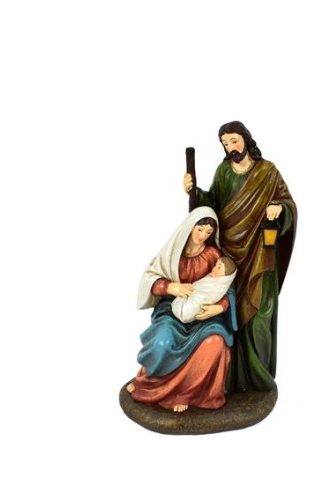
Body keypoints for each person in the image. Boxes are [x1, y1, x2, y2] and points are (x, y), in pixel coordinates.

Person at [183, 121, 297, 392]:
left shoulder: (267, 171)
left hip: (261, 254)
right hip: (229, 258)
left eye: (234, 140)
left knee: (261, 314)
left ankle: (259, 380)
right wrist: (194, 192)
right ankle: (231, 380)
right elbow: (212, 205)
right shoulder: (224, 171)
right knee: (229, 313)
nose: (230, 147)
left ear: (246, 139)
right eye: (225, 144)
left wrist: (279, 207)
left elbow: (288, 203)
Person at [127, 207, 237, 412]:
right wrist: (170, 287)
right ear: (190, 226)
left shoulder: (213, 255)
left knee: (215, 343)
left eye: (208, 232)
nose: (202, 236)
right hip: (172, 311)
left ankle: (188, 393)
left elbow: (226, 286)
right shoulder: (173, 253)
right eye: (199, 229)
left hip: (203, 315)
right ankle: (147, 382)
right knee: (162, 342)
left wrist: (218, 307)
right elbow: (150, 277)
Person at [172, 256, 236, 324]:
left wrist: (220, 307)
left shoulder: (219, 287)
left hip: (195, 306)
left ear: (226, 277)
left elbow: (205, 297)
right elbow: (197, 285)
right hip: (187, 296)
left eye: (219, 267)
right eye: (215, 265)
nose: (214, 268)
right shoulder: (210, 277)